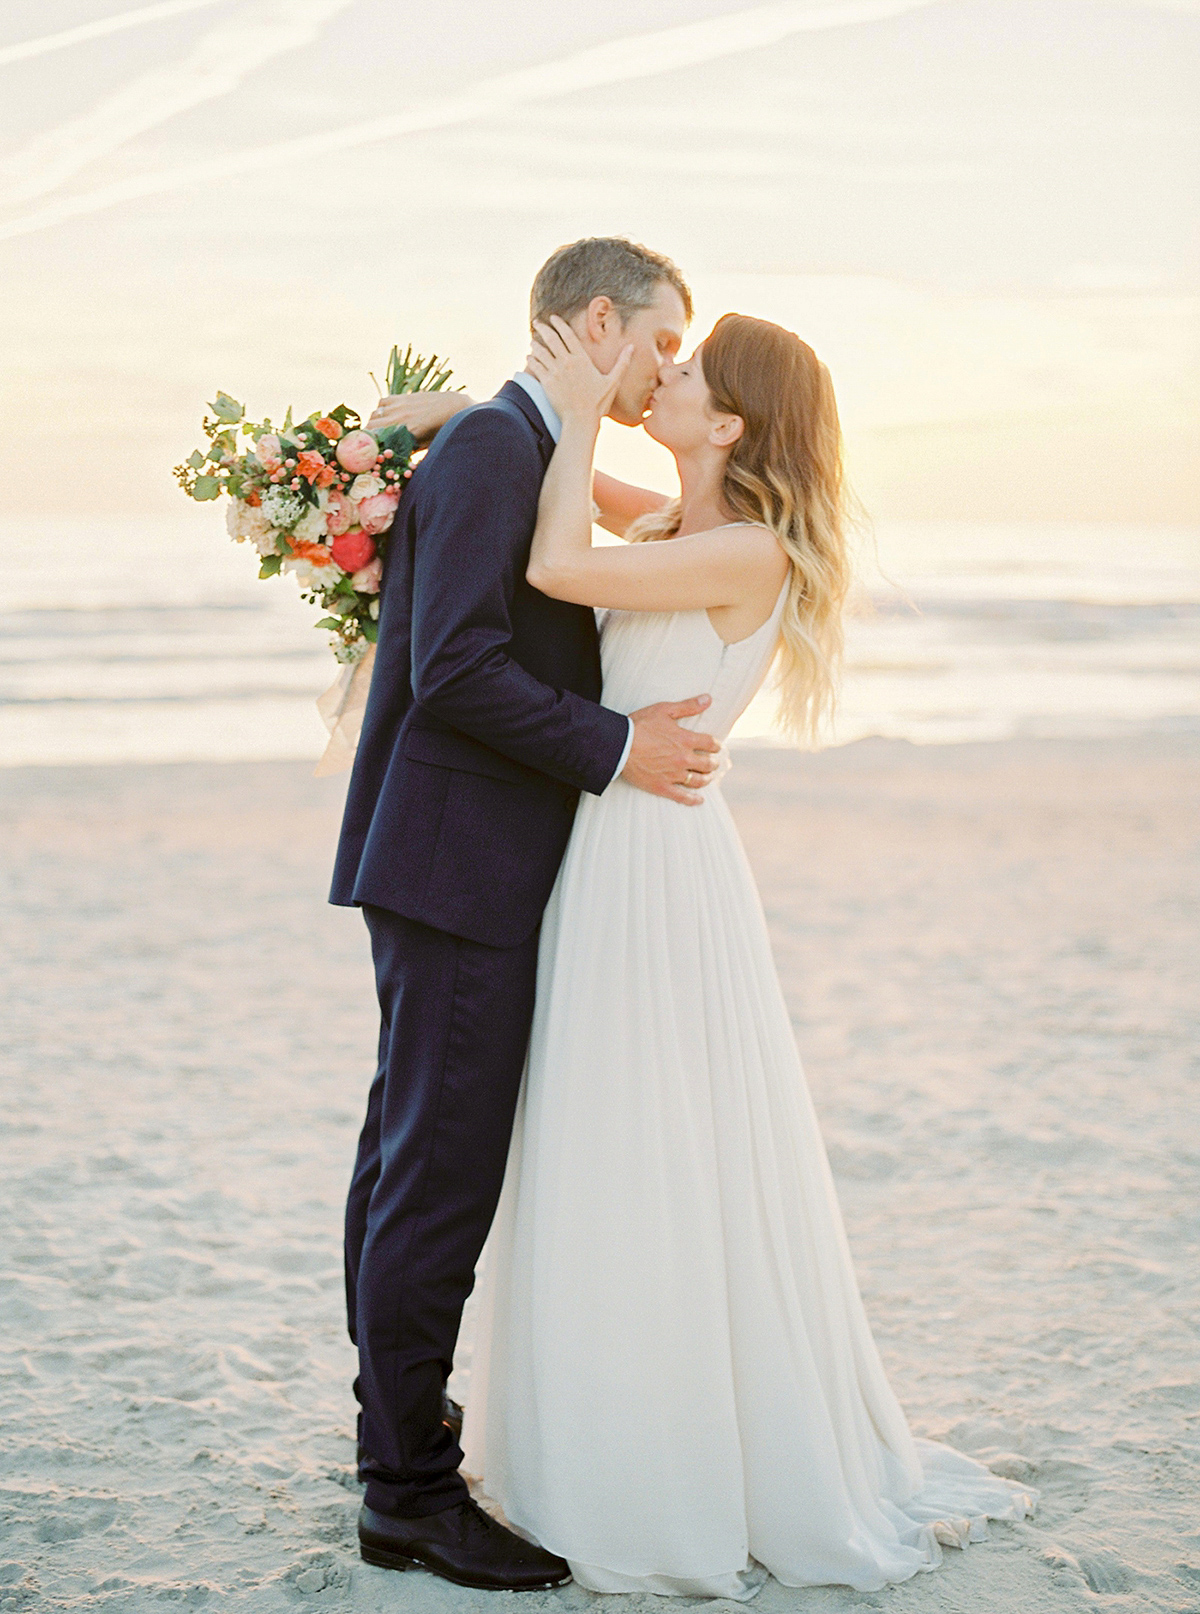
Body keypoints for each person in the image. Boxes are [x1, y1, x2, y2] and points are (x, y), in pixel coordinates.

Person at [402, 311, 1036, 1597]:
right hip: (610, 852)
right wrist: (463, 419)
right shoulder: (683, 524)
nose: (664, 378)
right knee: (605, 1136)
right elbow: (568, 489)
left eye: (686, 374)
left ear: (732, 424)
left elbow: (560, 563)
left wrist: (576, 409)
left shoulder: (744, 550)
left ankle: (659, 1458)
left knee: (648, 1142)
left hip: (654, 865)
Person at [330, 238, 724, 1590]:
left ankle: (400, 1431)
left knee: (405, 1156)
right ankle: (408, 1495)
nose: (669, 368)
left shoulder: (510, 437)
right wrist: (618, 746)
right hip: (459, 859)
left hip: (444, 855)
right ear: (601, 321)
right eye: (662, 343)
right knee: (436, 1174)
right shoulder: (504, 449)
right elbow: (454, 671)